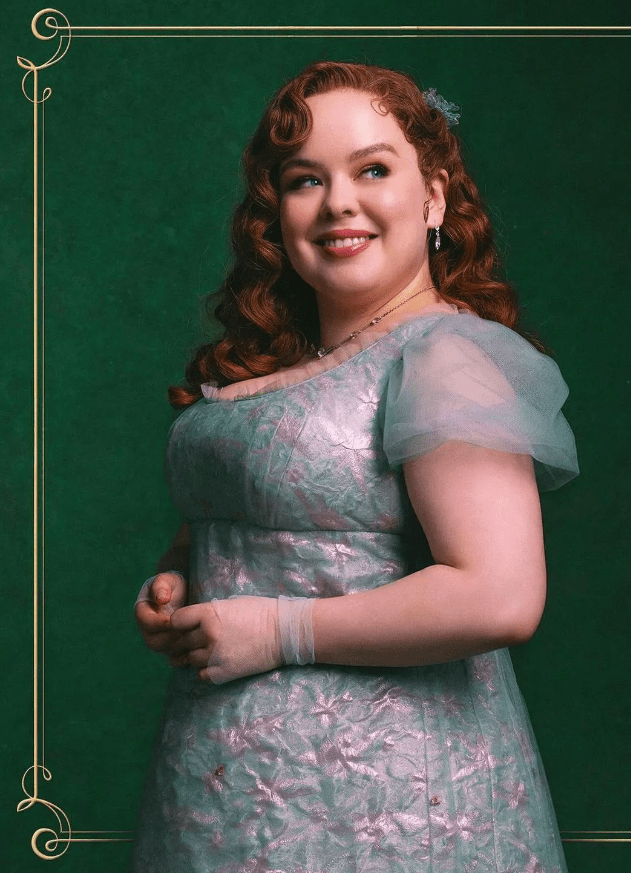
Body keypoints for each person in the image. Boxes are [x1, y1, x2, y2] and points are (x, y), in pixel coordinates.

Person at [132, 60, 578, 873]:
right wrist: (185, 575)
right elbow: (295, 520)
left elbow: (501, 593)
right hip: (222, 803)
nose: (339, 201)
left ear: (433, 196)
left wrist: (276, 629)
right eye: (306, 180)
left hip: (394, 815)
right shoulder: (292, 366)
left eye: (373, 169)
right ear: (278, 212)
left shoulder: (448, 356)